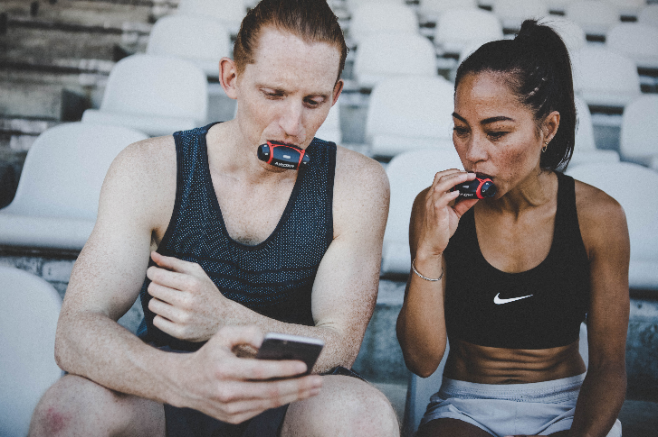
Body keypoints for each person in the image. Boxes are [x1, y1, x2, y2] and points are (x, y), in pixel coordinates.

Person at [29, 0, 399, 436]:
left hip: (287, 395)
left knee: (365, 417)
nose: (293, 124)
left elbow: (339, 345)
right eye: (274, 94)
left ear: (335, 96)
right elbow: (75, 331)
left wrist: (227, 319)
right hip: (168, 386)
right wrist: (182, 379)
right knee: (66, 410)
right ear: (231, 78)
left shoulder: (358, 185)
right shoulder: (150, 169)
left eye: (313, 101)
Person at [397, 20, 628, 437]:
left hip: (566, 403)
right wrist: (428, 252)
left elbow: (609, 366)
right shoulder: (436, 209)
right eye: (461, 129)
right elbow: (422, 361)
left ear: (548, 129)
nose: (473, 153)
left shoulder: (599, 217)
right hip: (466, 404)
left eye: (497, 132)